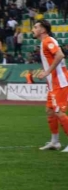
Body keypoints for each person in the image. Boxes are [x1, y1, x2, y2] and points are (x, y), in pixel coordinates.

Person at [32, 20, 68, 152]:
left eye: (35, 27)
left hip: (60, 82)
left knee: (59, 112)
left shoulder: (48, 41)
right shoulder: (44, 43)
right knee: (50, 111)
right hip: (53, 83)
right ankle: (55, 142)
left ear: (43, 30)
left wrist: (47, 72)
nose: (33, 30)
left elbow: (60, 55)